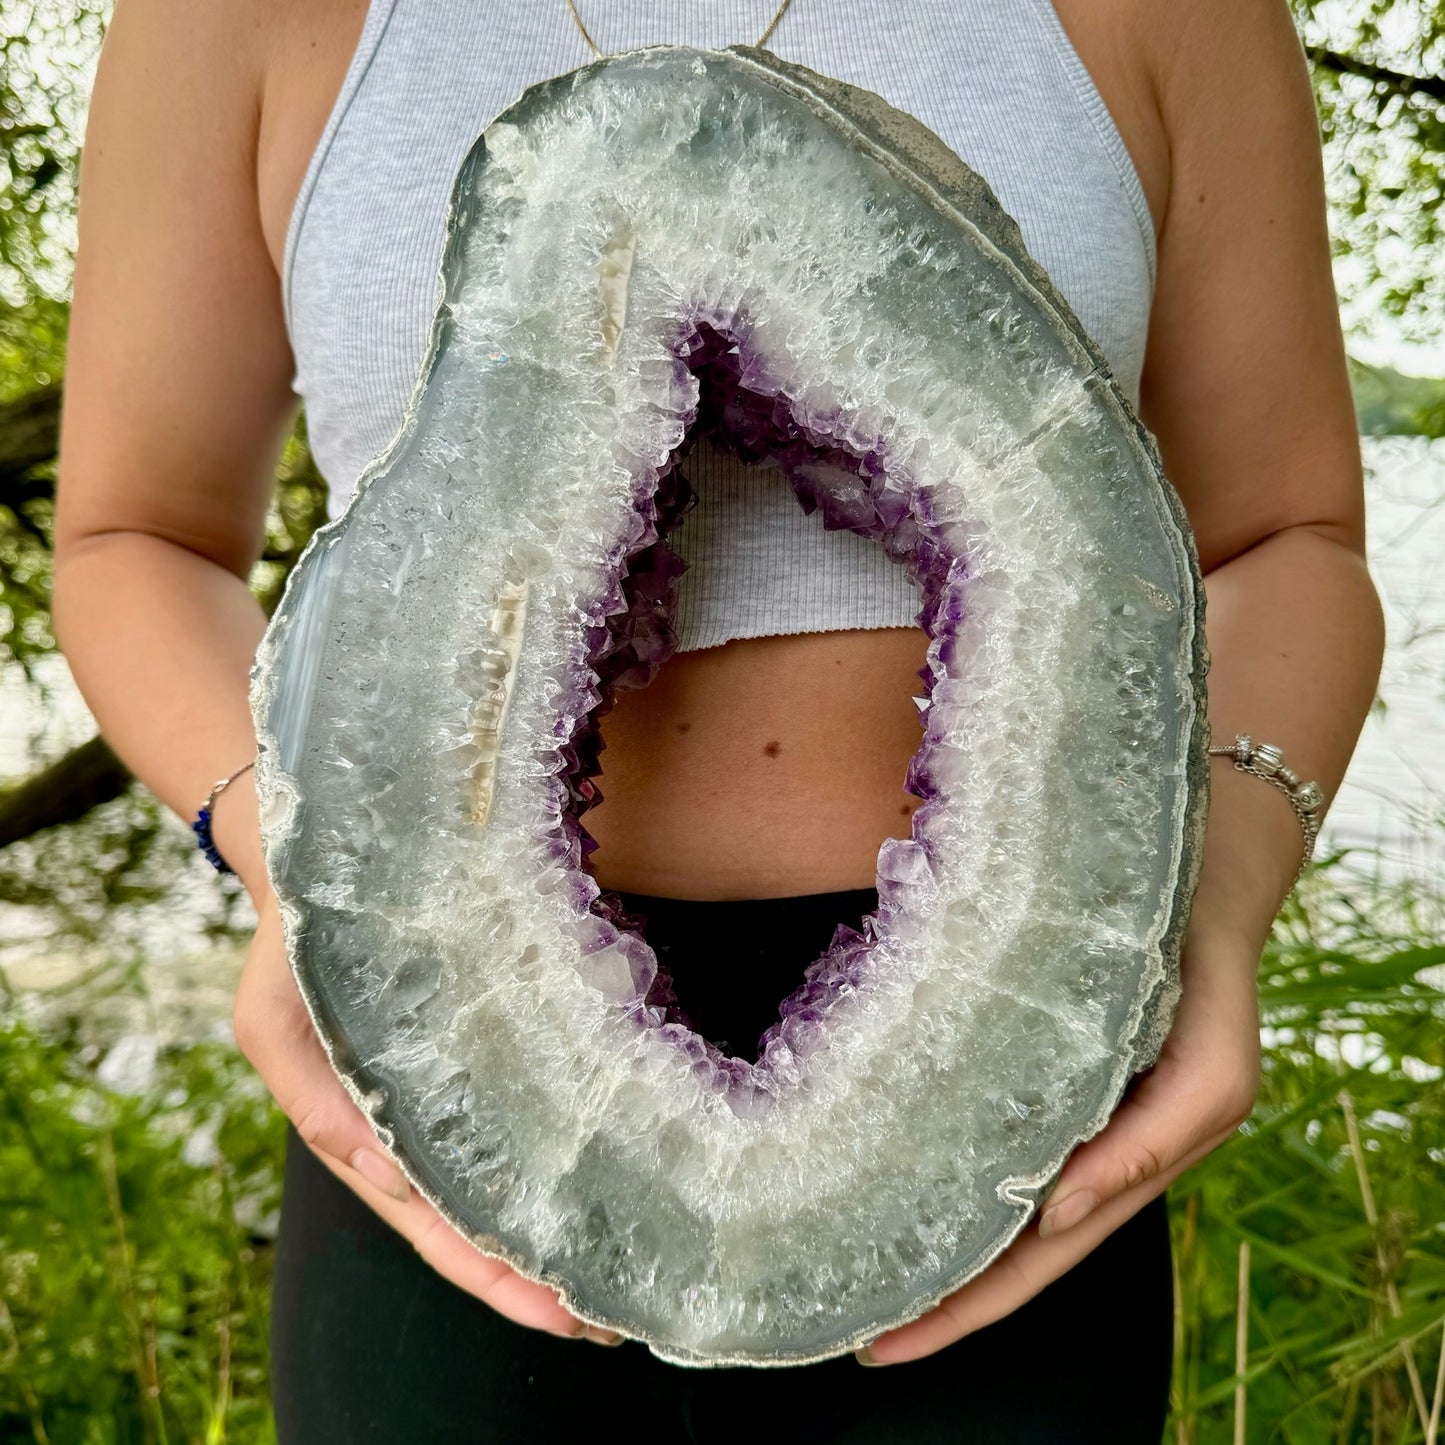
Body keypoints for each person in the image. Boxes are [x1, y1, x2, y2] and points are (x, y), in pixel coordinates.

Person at [53, 0, 1383, 1440]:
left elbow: (1286, 537)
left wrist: (1221, 900)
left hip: (1029, 1103)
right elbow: (136, 538)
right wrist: (290, 860)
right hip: (442, 1095)